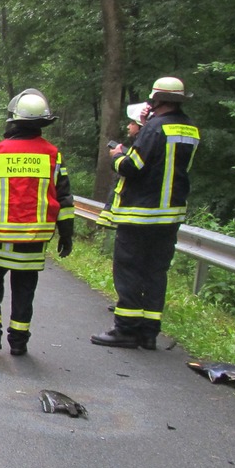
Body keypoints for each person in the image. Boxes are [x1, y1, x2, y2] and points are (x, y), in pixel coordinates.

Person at [92, 77, 199, 349]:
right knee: (155, 273)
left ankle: (125, 330)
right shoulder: (189, 130)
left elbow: (132, 167)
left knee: (128, 271)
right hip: (170, 215)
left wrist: (117, 154)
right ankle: (149, 332)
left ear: (158, 100)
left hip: (141, 213)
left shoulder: (153, 129)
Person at [0, 89, 74, 356]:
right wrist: (66, 233)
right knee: (25, 290)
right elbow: (63, 197)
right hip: (34, 239)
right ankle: (19, 342)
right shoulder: (53, 155)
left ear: (13, 120)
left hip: (0, 237)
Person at [96, 102, 150, 227]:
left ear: (140, 127)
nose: (128, 126)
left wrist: (117, 156)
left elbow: (128, 169)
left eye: (132, 123)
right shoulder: (142, 146)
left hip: (132, 213)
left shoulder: (142, 147)